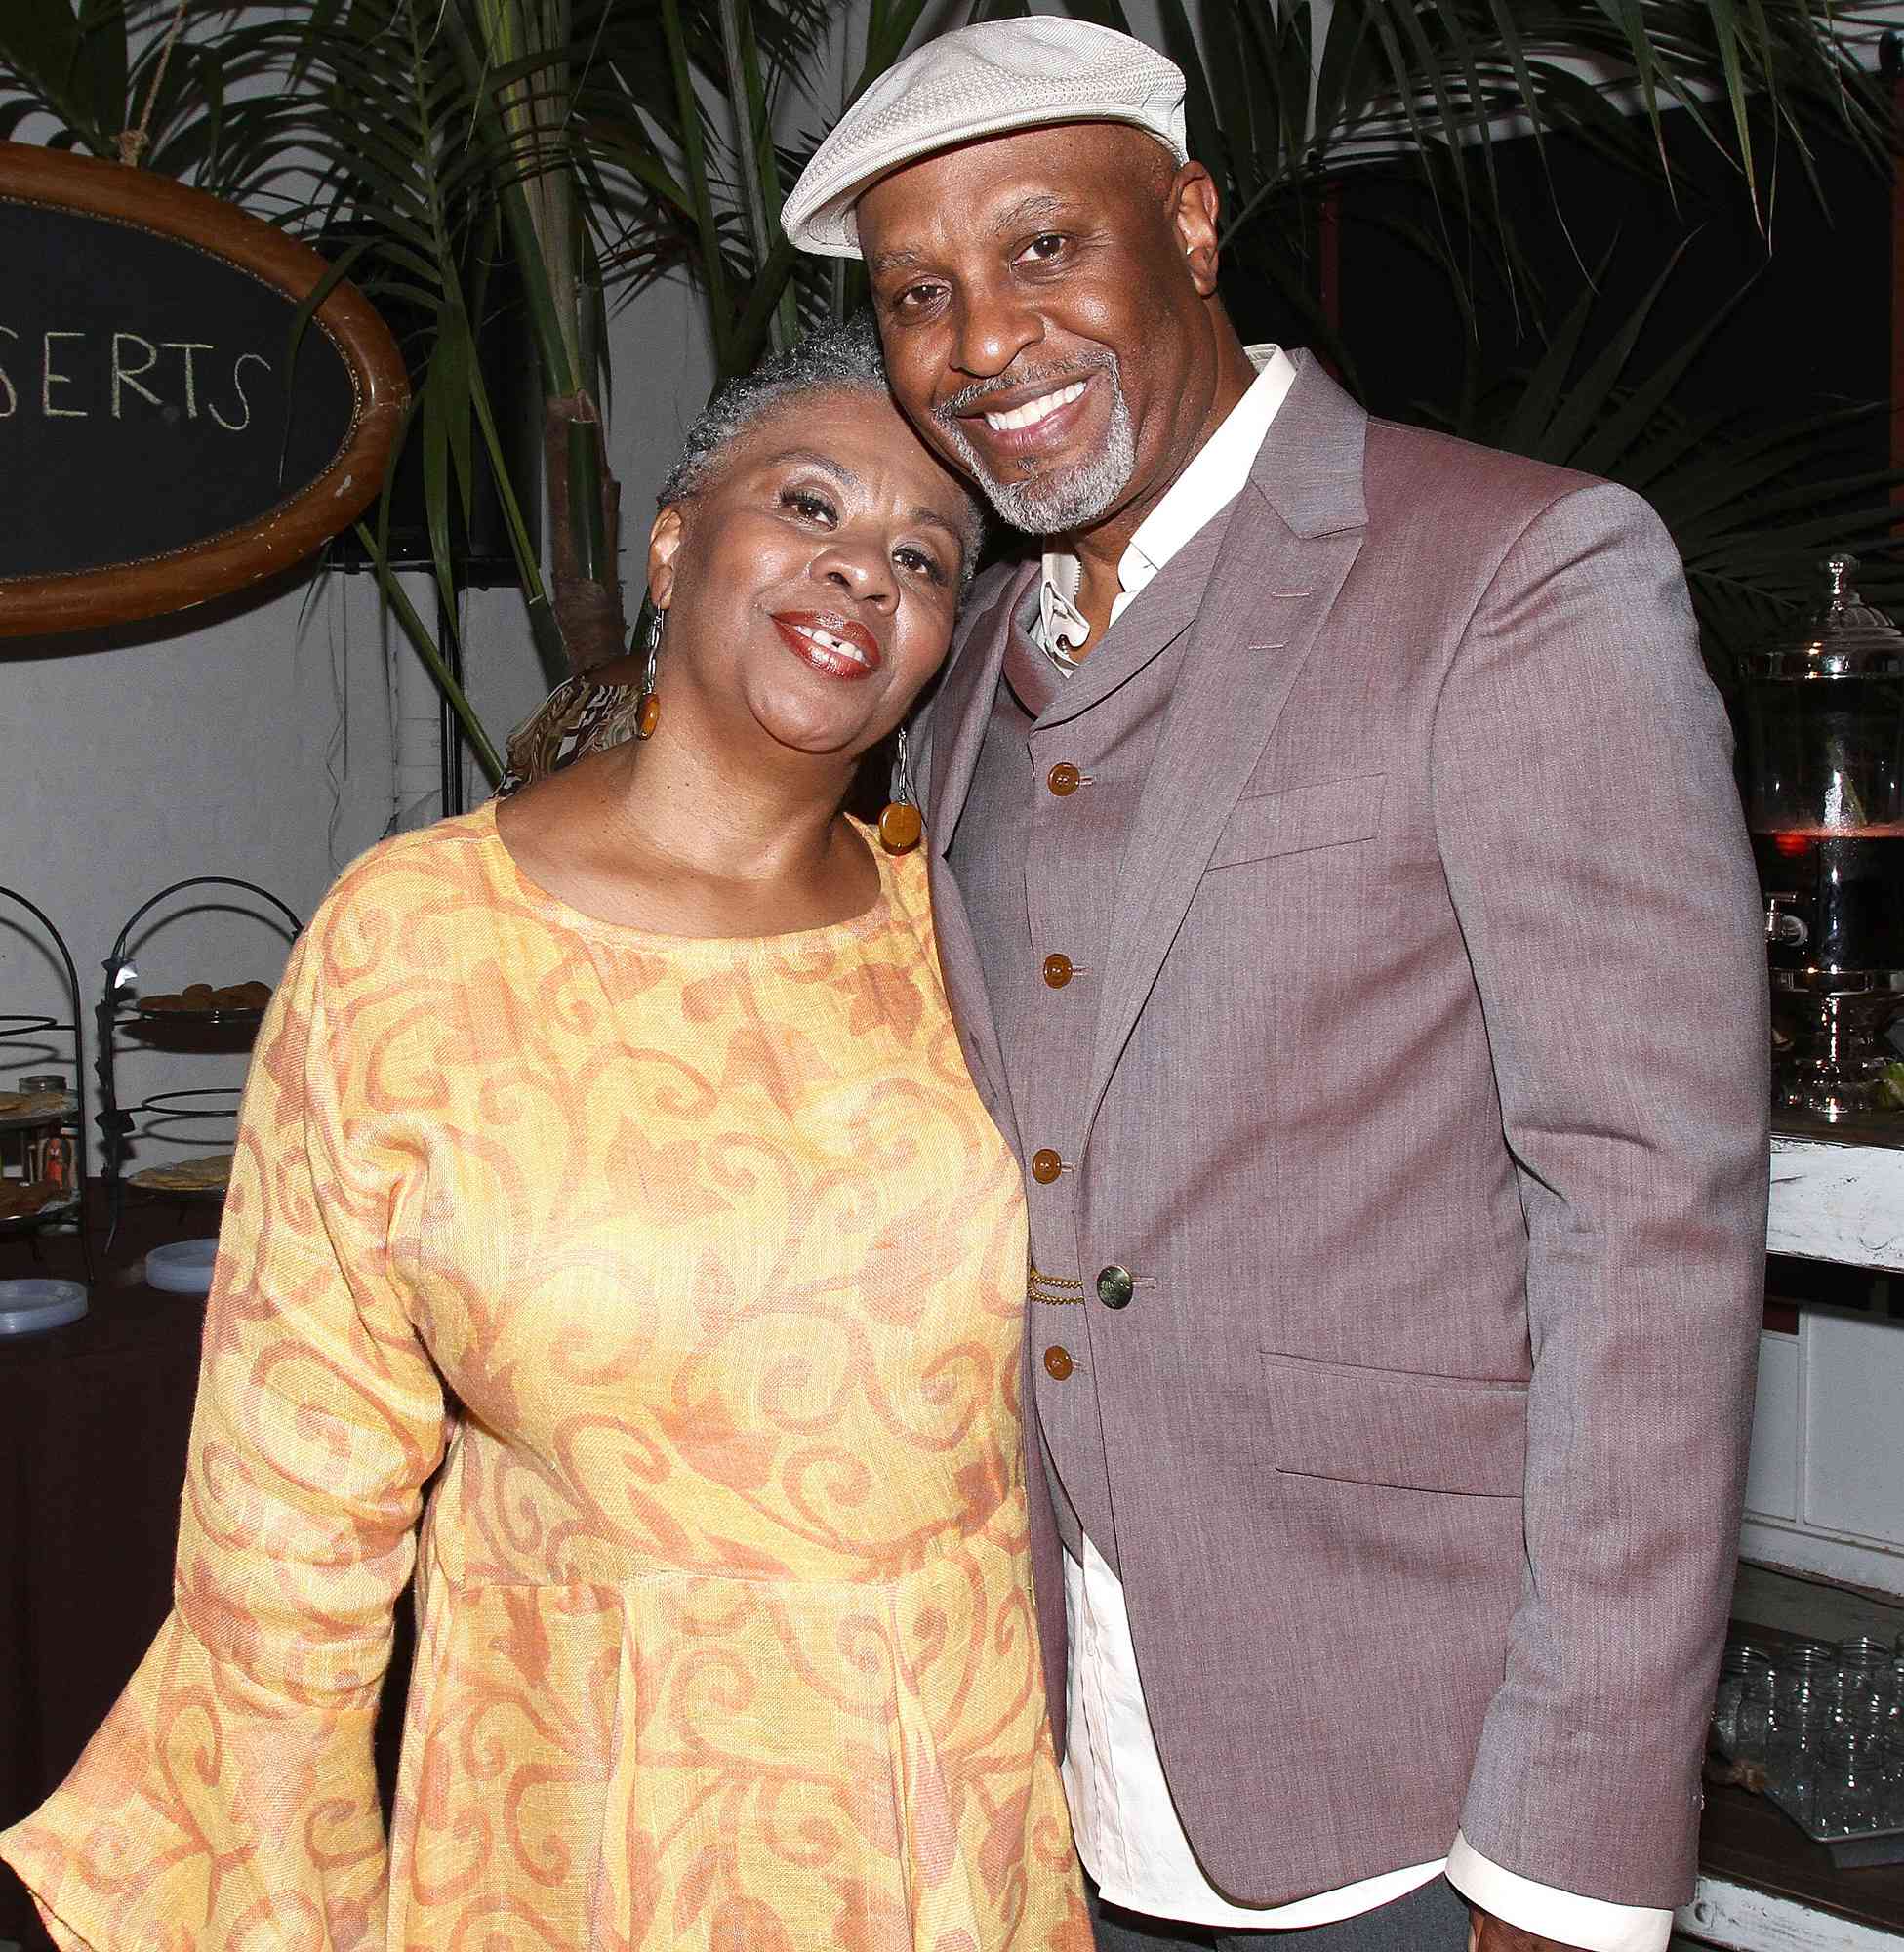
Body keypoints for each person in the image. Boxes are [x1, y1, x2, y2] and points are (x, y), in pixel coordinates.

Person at [782, 21, 1771, 1952]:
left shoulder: (1517, 572)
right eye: (919, 295)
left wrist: (1563, 1860)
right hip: (1051, 1772)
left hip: (1421, 1790)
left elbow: (1646, 1220)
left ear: (1190, 221)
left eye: (1042, 249)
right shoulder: (966, 650)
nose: (984, 341)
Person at [0, 314, 1092, 1952]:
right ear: (673, 545)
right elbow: (286, 1525)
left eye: (924, 559)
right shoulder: (416, 942)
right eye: (808, 508)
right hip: (584, 1814)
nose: (864, 573)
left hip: (957, 1807)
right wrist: (297, 1906)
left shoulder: (971, 933)